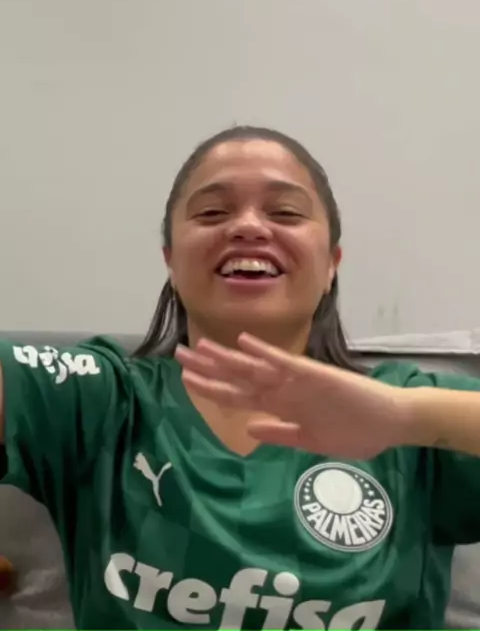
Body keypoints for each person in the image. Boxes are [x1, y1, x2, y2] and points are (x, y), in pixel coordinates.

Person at [2, 125, 480, 631]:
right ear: (170, 261)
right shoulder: (102, 398)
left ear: (331, 265)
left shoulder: (410, 408)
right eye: (212, 212)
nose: (248, 226)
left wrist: (409, 418)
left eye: (285, 212)